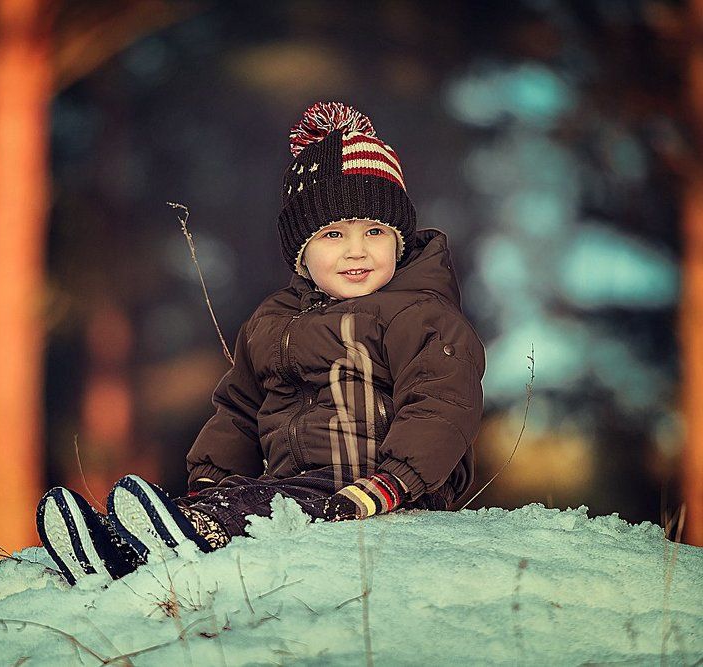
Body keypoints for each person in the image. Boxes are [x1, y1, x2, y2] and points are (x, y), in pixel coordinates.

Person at [35, 101, 486, 586]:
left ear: (398, 243)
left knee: (254, 507)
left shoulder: (418, 313)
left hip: (381, 483)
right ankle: (117, 553)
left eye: (374, 232)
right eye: (333, 234)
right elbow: (238, 409)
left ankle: (188, 534)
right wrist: (212, 475)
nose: (357, 250)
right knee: (242, 498)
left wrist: (394, 480)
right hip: (294, 483)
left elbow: (442, 402)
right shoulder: (272, 322)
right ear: (301, 254)